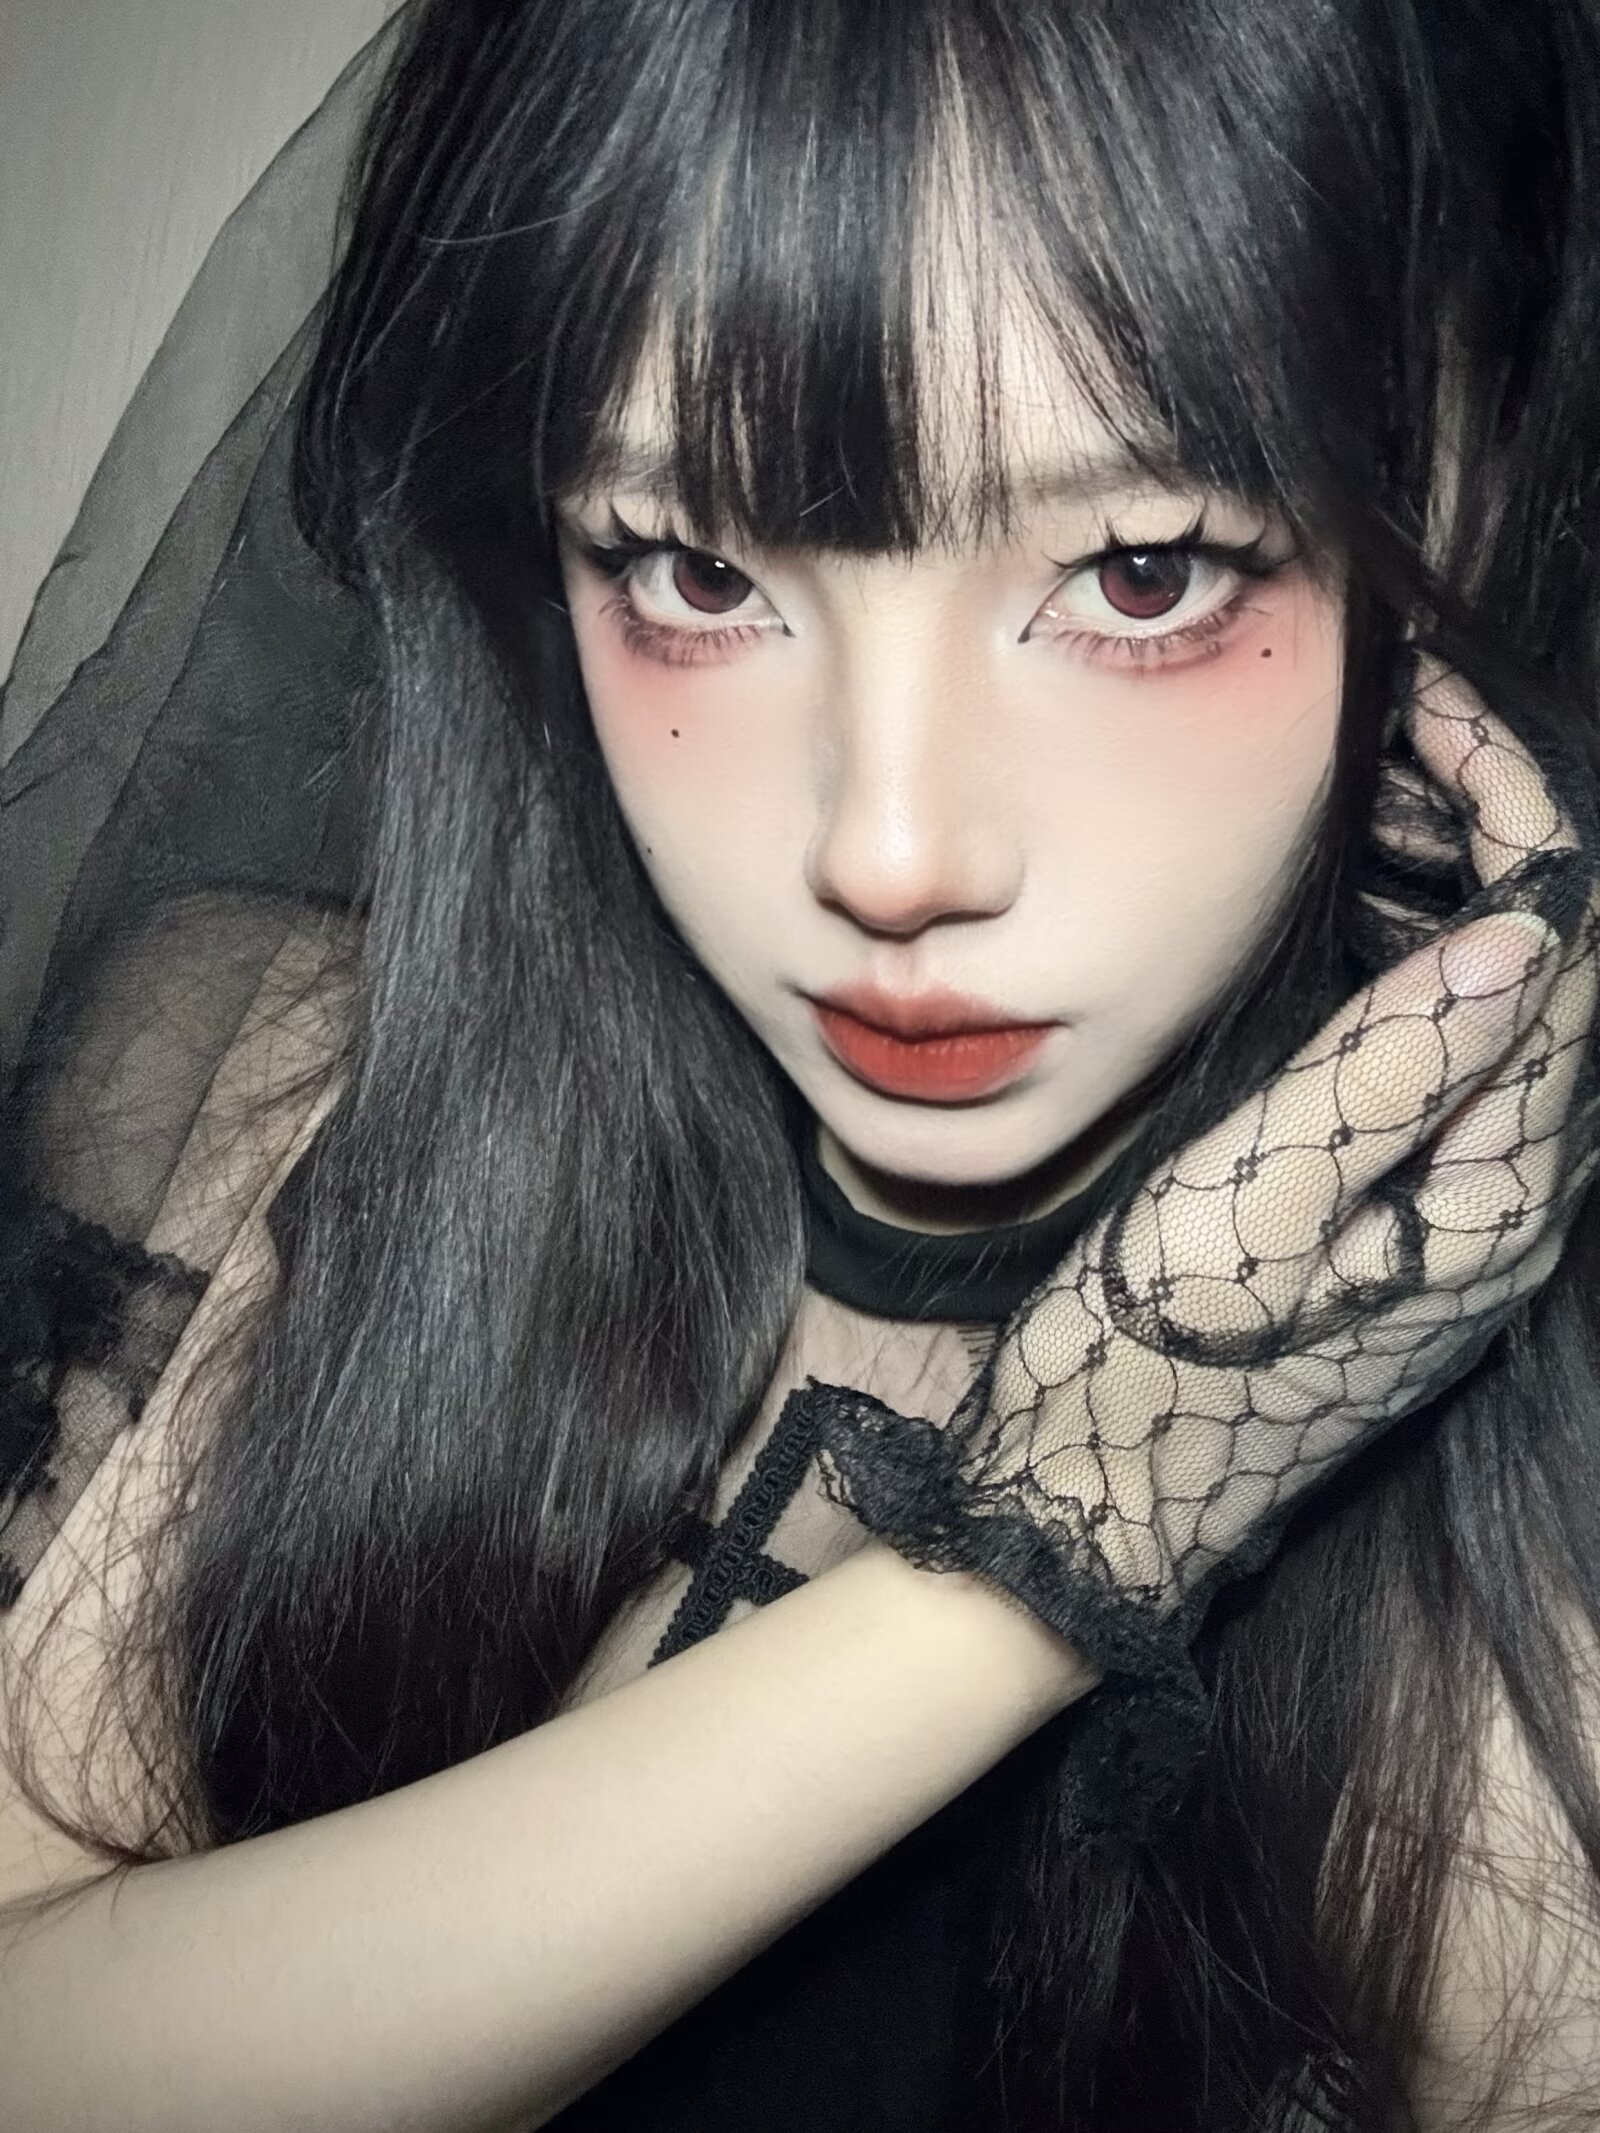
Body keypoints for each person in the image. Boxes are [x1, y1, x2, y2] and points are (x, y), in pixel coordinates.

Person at [2, 1, 1599, 2127]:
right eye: (693, 564)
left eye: (1140, 570)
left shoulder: (1536, 1598)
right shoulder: (250, 1083)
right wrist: (1044, 1559)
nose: (889, 849)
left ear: (1451, 510)